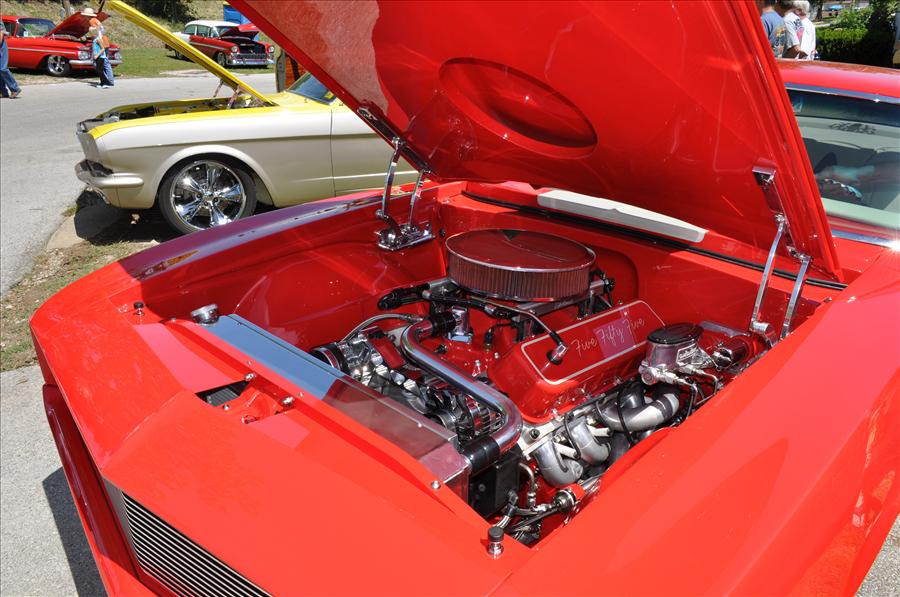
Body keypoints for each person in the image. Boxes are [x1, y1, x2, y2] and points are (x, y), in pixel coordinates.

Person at [0, 25, 21, 98]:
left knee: (2, 68)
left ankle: (15, 89)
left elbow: (1, 34)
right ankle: (3, 92)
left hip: (1, 47)